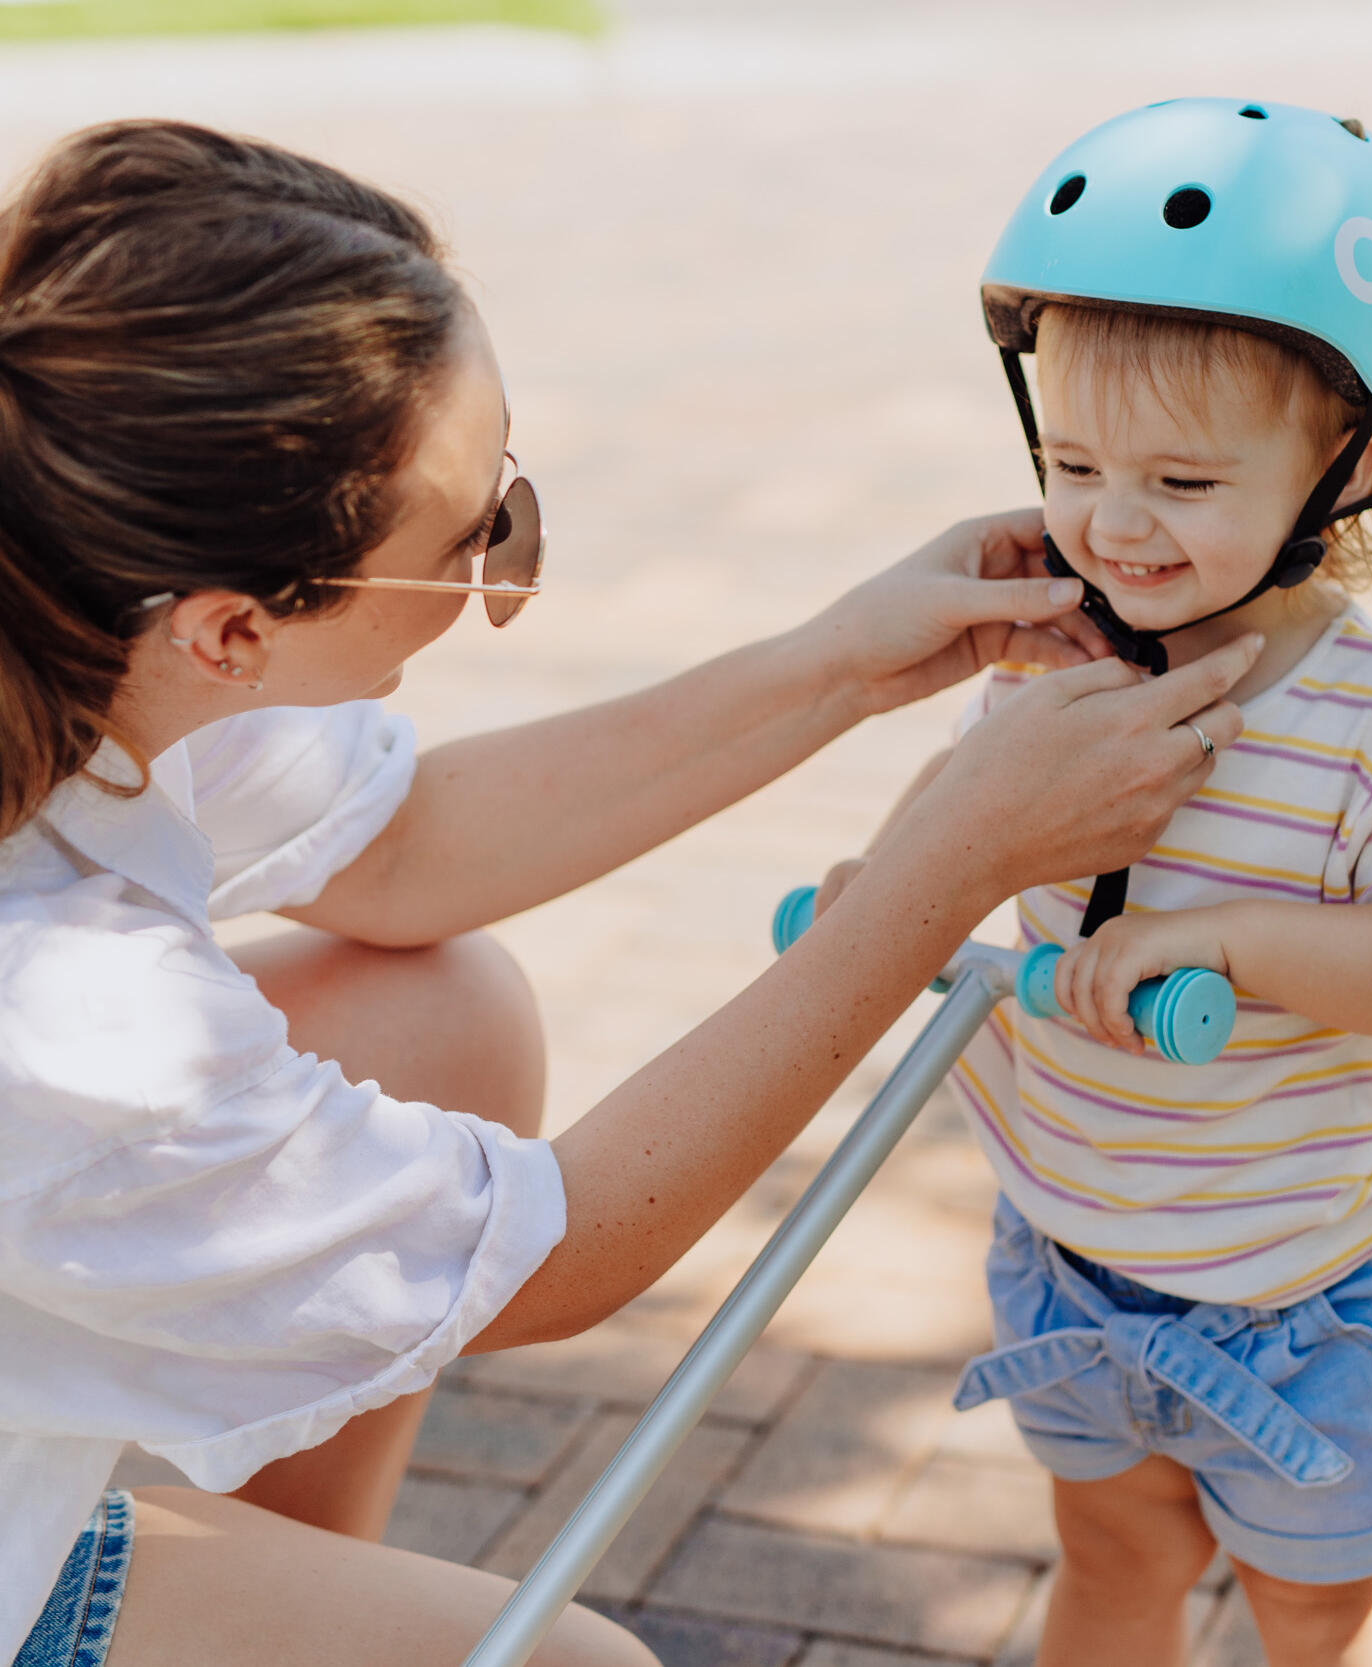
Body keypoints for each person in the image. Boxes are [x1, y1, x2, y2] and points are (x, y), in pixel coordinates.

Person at [0, 120, 1262, 1667]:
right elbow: (561, 1253)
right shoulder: (71, 1021)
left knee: (438, 1005)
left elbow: (404, 850)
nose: (497, 569)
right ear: (229, 632)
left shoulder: (70, 633)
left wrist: (845, 663)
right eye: (470, 544)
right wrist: (943, 873)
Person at [814, 100, 1372, 1665]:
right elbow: (971, 800)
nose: (1115, 523)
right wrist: (896, 874)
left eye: (1186, 486)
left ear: (1345, 464)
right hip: (1073, 1247)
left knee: (1320, 1613)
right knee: (1110, 1558)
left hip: (1305, 1301)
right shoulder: (1059, 649)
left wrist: (1233, 944)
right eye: (1074, 463)